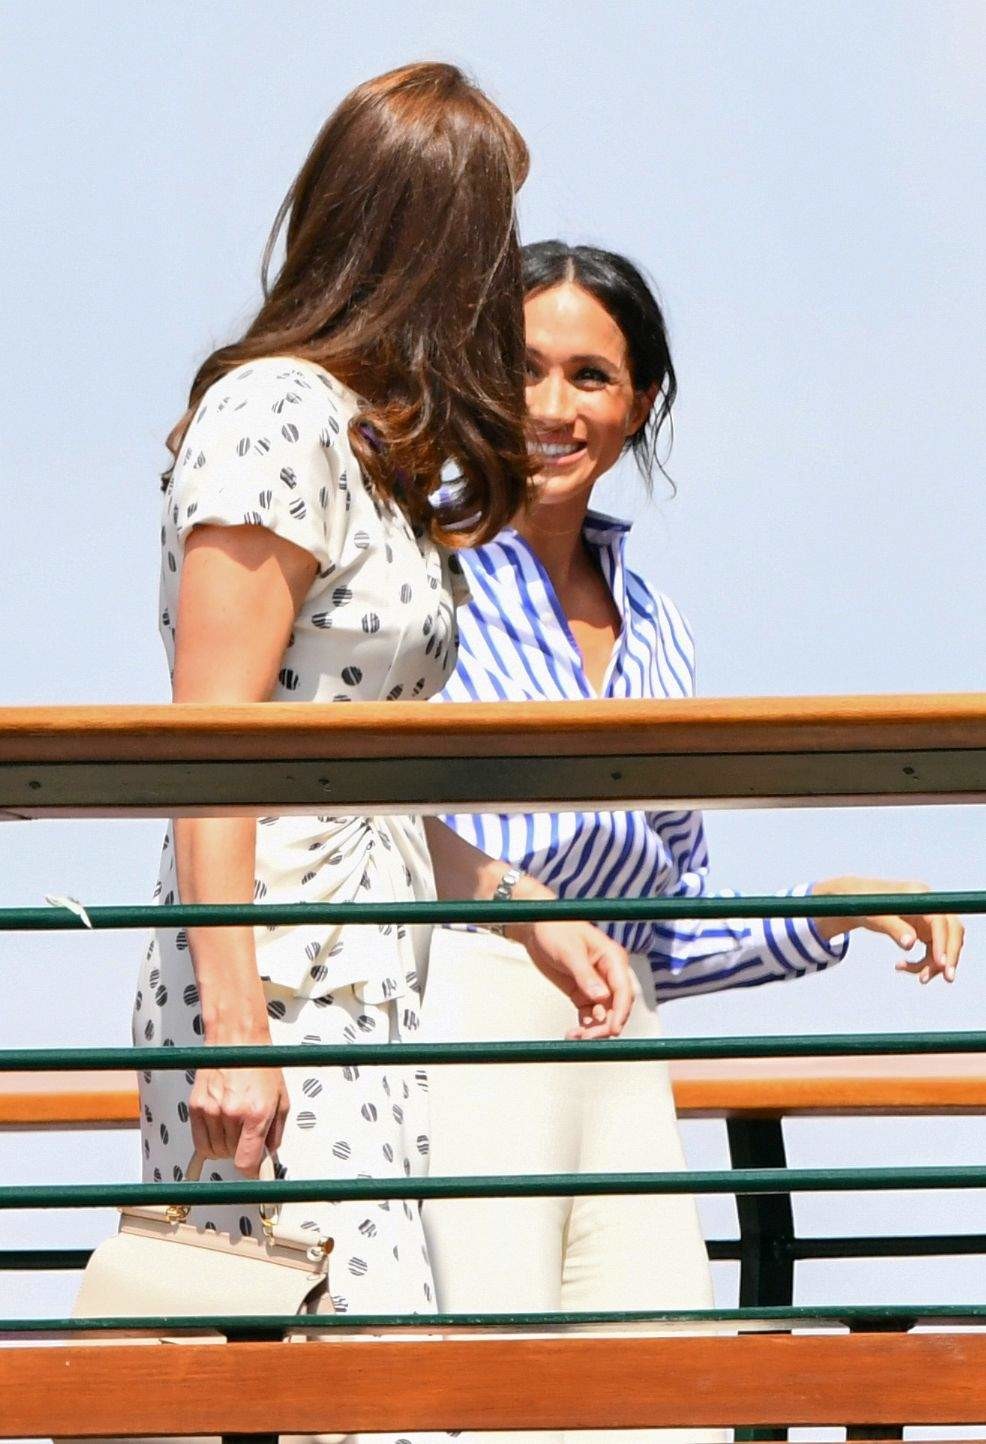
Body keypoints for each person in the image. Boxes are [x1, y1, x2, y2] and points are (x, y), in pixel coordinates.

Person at [125, 72, 634, 1425]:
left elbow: (350, 773)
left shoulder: (366, 441)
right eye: (489, 239)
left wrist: (520, 907)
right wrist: (236, 1032)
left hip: (364, 983)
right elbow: (211, 741)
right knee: (334, 1378)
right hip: (274, 978)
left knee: (352, 1381)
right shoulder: (271, 415)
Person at [421, 240, 965, 1444]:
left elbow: (658, 928)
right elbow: (360, 826)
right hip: (462, 1007)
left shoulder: (655, 626)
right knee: (490, 1400)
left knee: (661, 1398)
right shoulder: (423, 578)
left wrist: (821, 908)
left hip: (622, 1042)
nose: (551, 407)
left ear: (639, 402)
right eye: (521, 370)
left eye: (589, 376)